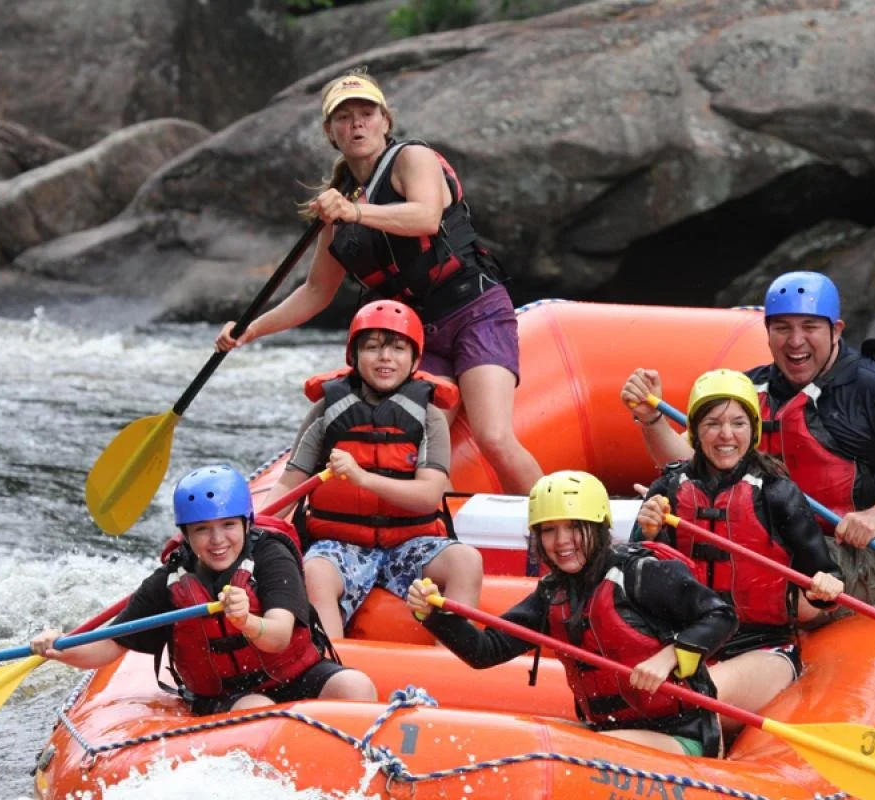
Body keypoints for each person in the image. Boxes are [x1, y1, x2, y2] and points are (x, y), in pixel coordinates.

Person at [215, 69, 542, 495]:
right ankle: (423, 541)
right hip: (415, 337)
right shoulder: (336, 205)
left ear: (385, 121)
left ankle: (565, 528)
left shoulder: (412, 160)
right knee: (415, 445)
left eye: (366, 113)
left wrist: (354, 213)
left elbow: (425, 216)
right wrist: (250, 329)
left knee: (493, 436)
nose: (357, 124)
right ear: (331, 133)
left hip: (474, 310)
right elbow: (316, 291)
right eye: (344, 117)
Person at [620, 271, 875, 613]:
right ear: (768, 334)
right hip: (773, 542)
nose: (795, 340)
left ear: (836, 331)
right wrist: (651, 419)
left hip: (865, 556)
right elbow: (686, 463)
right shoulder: (749, 389)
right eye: (782, 327)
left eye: (809, 327)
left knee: (754, 586)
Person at [408, 470, 738, 758]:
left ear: (597, 527)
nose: (561, 541)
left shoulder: (641, 573)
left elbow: (722, 616)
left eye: (573, 527)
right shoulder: (552, 594)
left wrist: (668, 657)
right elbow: (485, 651)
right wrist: (433, 615)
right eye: (548, 530)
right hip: (610, 731)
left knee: (577, 752)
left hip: (683, 736)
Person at [31, 465, 377, 714]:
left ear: (246, 523)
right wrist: (58, 649)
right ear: (185, 534)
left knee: (355, 686)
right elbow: (109, 646)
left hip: (295, 674)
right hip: (227, 694)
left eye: (228, 525)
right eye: (202, 530)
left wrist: (246, 622)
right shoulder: (168, 582)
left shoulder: (272, 555)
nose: (217, 541)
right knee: (256, 709)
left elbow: (278, 636)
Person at [632, 369, 843, 730]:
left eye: (738, 423)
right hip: (683, 643)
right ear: (695, 430)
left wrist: (827, 587)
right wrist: (649, 537)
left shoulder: (778, 494)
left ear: (753, 431)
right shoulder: (668, 487)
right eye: (713, 423)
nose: (726, 435)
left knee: (685, 698)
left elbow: (827, 579)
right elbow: (631, 581)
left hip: (761, 650)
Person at [262, 299, 483, 641]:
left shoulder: (429, 416)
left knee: (466, 560)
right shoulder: (328, 410)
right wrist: (248, 531)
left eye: (397, 348)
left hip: (410, 543)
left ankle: (453, 659)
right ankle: (332, 665)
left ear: (415, 359)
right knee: (315, 571)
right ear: (353, 356)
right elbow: (289, 485)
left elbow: (428, 496)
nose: (385, 357)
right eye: (373, 348)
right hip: (340, 543)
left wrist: (362, 478)